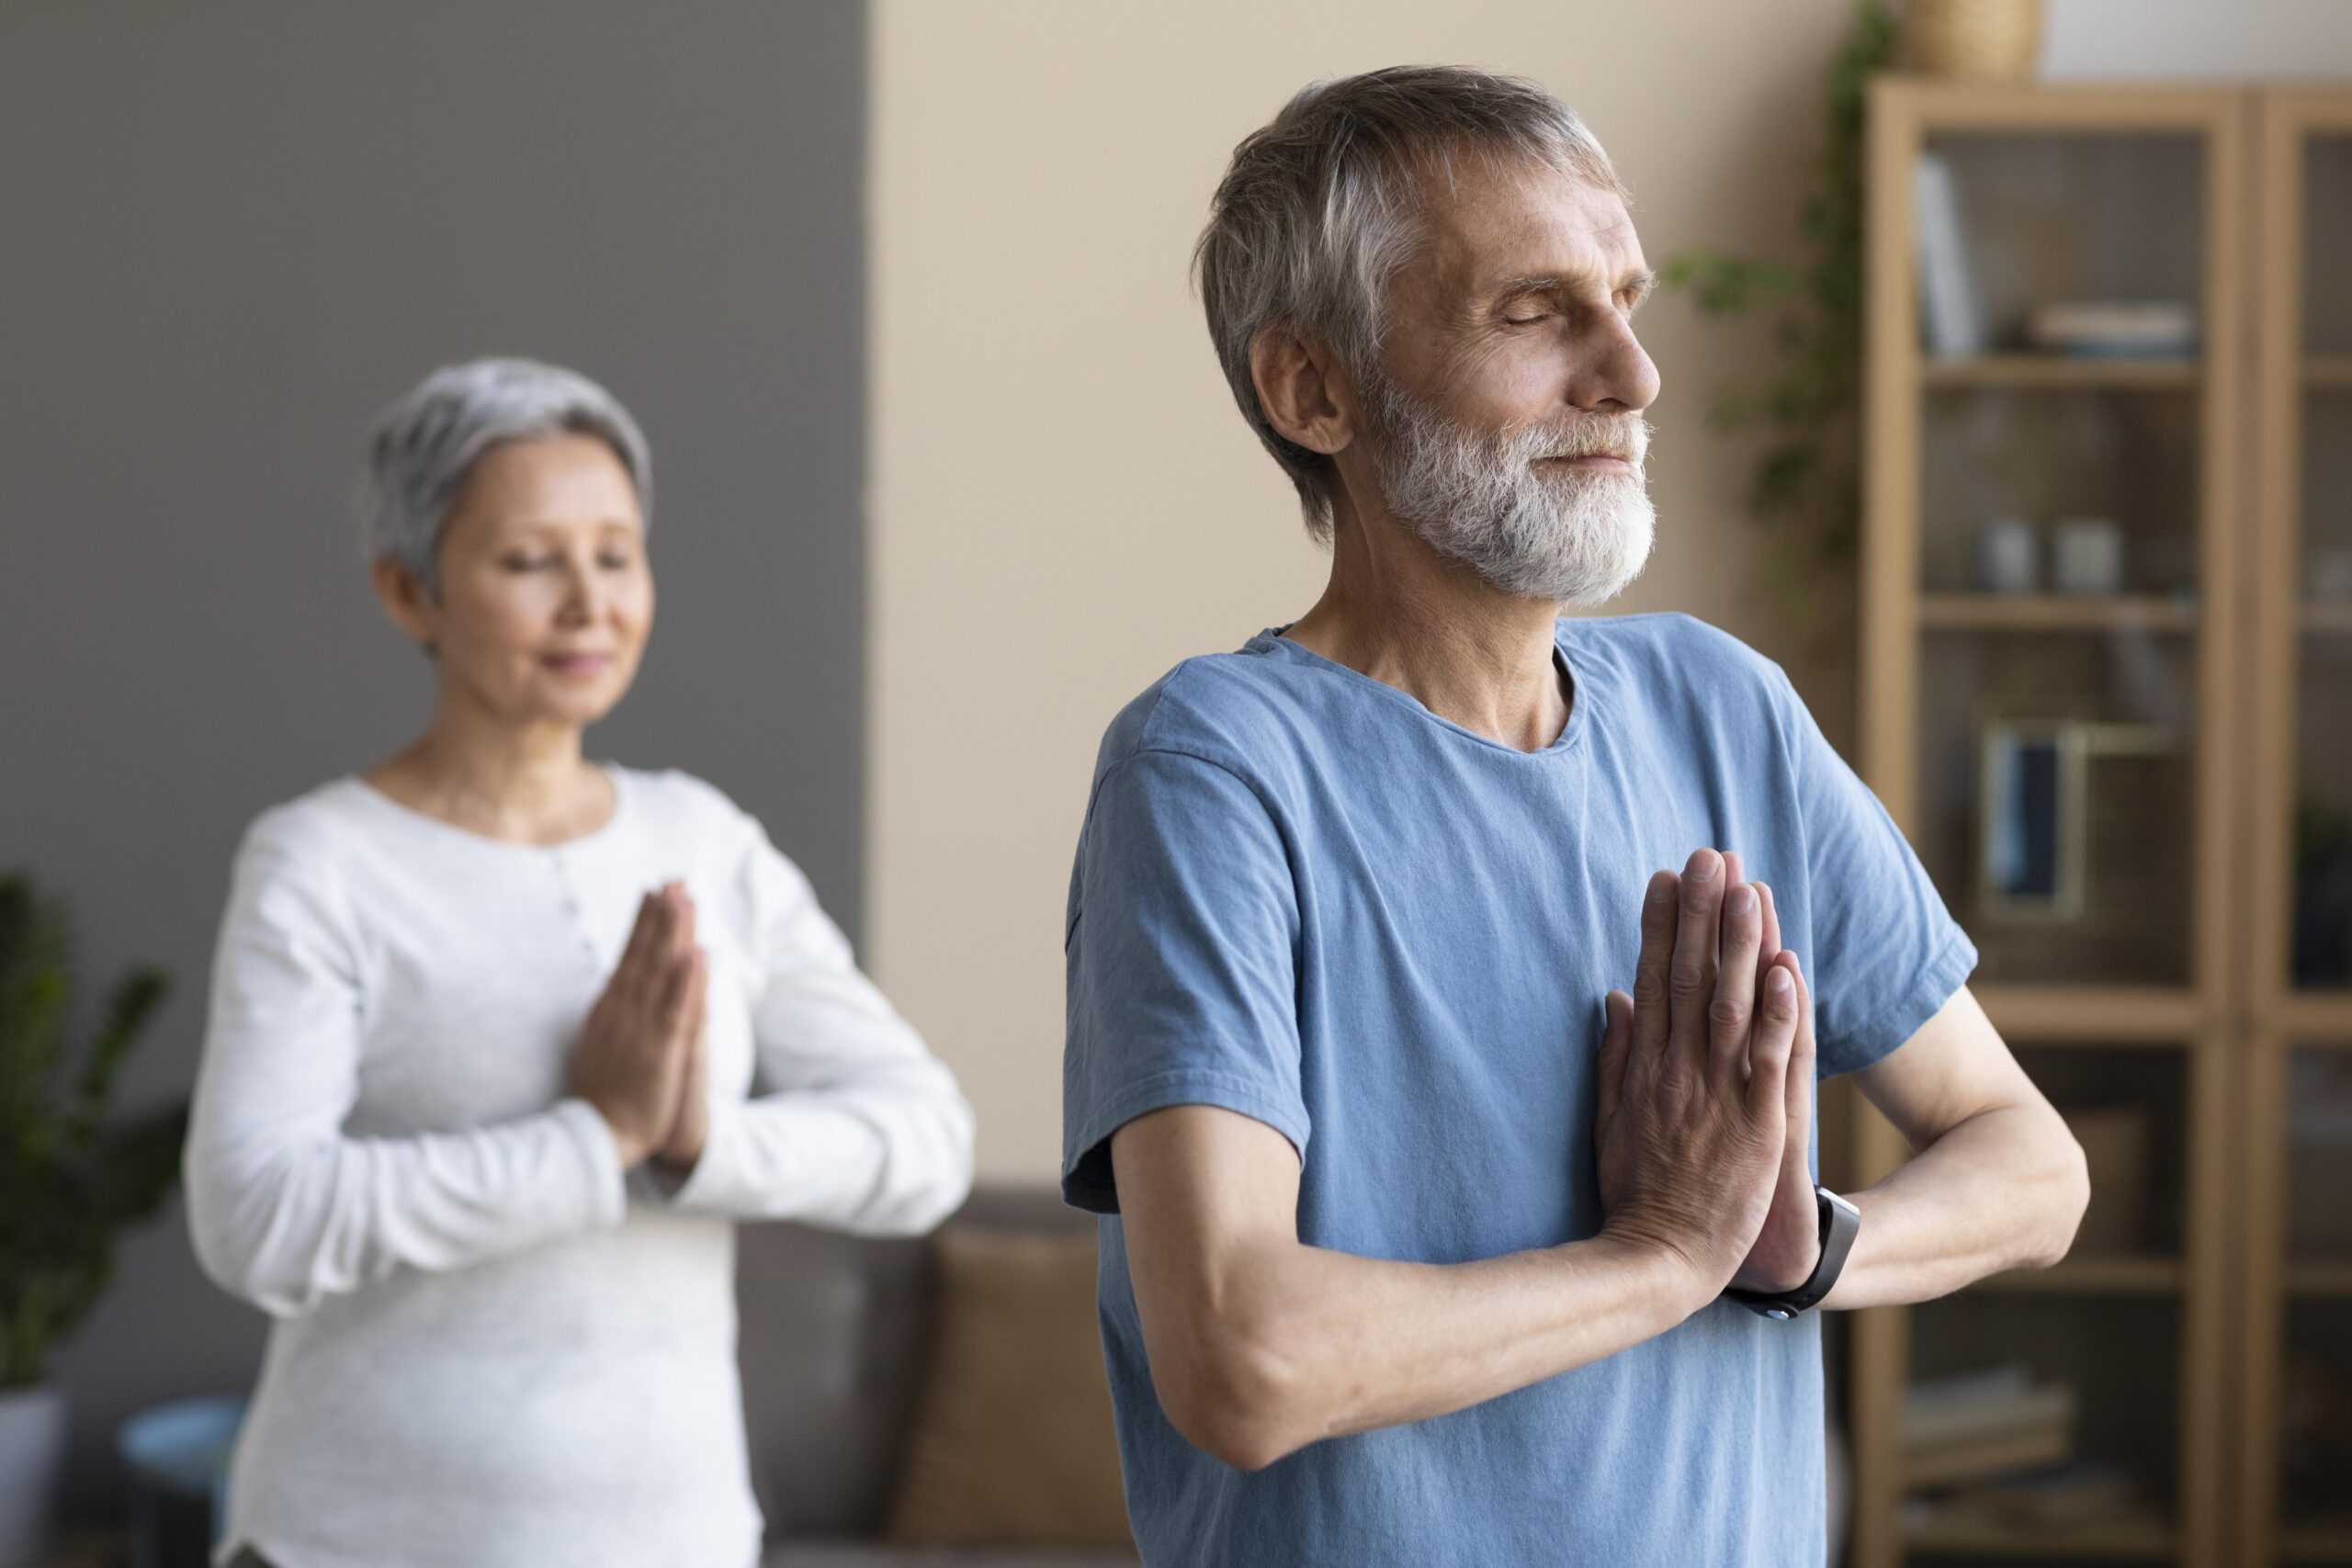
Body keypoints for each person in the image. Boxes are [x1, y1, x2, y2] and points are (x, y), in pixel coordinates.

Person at [1061, 67, 2088, 1566]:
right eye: (1535, 314)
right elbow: (1243, 1356)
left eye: (1626, 300)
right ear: (1313, 390)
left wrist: (1801, 1249)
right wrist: (1667, 1255)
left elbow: (2029, 1162)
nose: (1632, 376)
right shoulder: (1212, 765)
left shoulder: (1720, 707)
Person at [185, 357, 973, 1568]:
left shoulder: (703, 840)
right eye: (528, 561)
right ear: (410, 592)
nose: (589, 603)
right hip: (355, 1537)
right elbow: (256, 1220)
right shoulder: (322, 860)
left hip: (676, 1538)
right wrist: (589, 1138)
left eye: (616, 554)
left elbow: (927, 1144)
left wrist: (692, 1145)